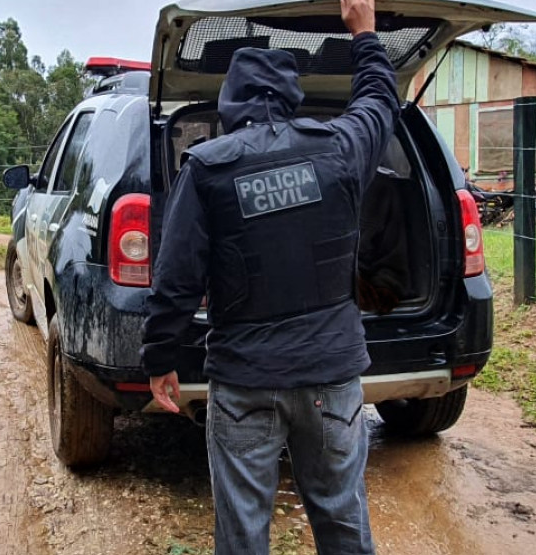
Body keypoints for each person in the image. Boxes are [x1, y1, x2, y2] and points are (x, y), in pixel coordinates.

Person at [140, 0, 399, 553]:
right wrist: (365, 34)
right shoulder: (340, 147)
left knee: (242, 529)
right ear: (292, 95)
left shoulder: (207, 167)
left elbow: (177, 277)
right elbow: (379, 100)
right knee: (343, 521)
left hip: (244, 379)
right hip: (331, 376)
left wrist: (160, 357)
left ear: (230, 101)